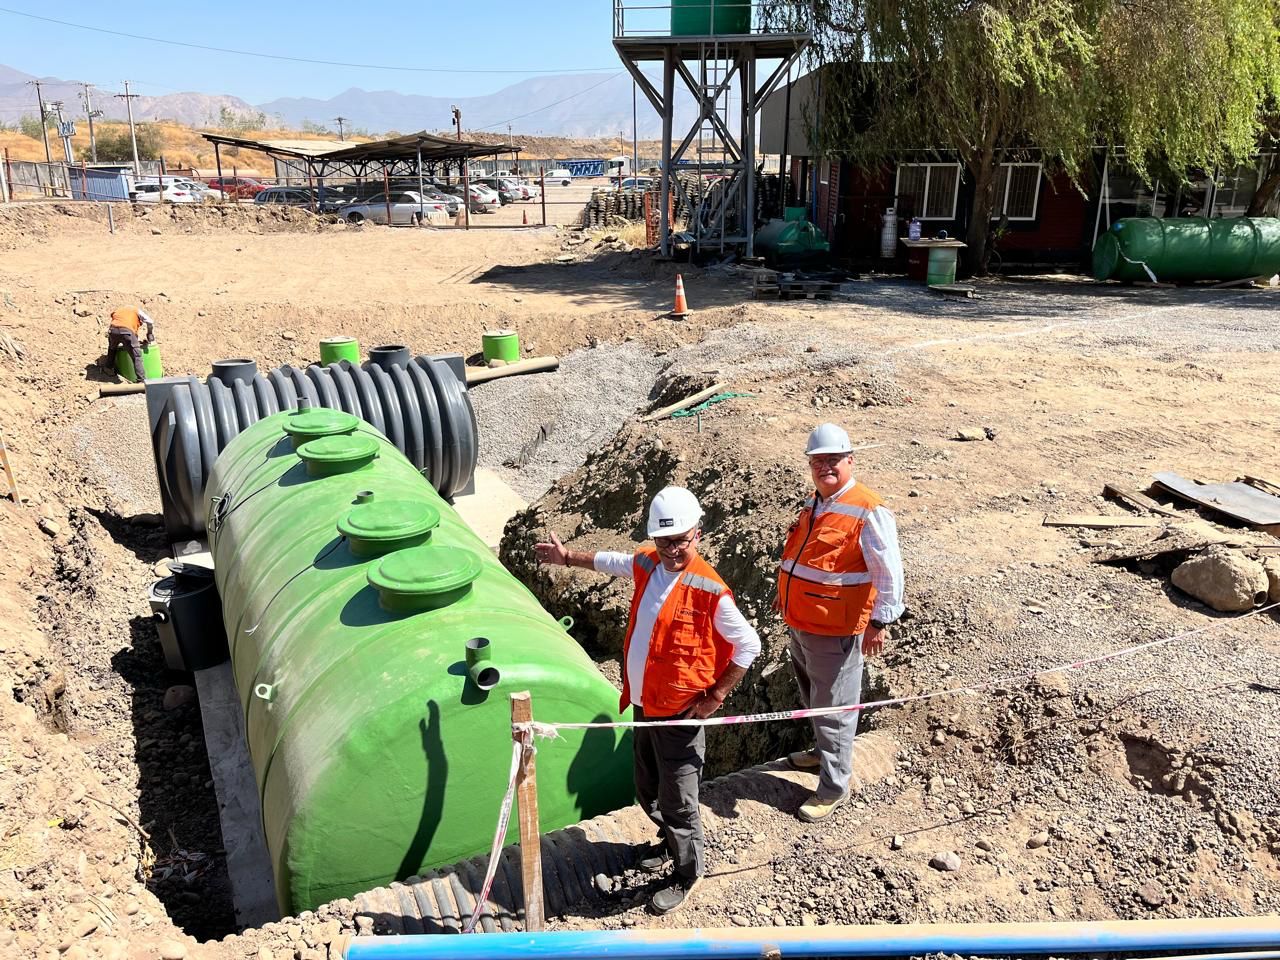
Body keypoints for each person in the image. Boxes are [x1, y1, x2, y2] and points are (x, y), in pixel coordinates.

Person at [534, 487, 759, 915]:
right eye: (664, 541)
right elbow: (612, 561)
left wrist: (715, 695)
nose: (672, 550)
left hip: (679, 715)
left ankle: (688, 872)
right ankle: (669, 842)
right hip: (644, 705)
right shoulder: (648, 561)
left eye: (681, 541)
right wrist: (567, 558)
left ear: (698, 533)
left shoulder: (710, 590)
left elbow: (750, 645)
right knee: (647, 786)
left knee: (679, 798)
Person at [776, 423, 905, 823]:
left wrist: (880, 620)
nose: (825, 467)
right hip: (802, 622)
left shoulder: (867, 509)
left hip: (836, 630)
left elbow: (889, 572)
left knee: (835, 709)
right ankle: (821, 752)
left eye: (833, 459)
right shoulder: (816, 503)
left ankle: (833, 787)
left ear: (850, 460)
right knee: (814, 698)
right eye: (817, 461)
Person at [106, 306, 156, 381]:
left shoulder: (119, 310)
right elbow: (150, 321)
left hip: (113, 331)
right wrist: (150, 333)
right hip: (127, 332)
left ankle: (108, 368)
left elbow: (118, 321)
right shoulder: (137, 311)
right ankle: (141, 379)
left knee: (112, 348)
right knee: (137, 356)